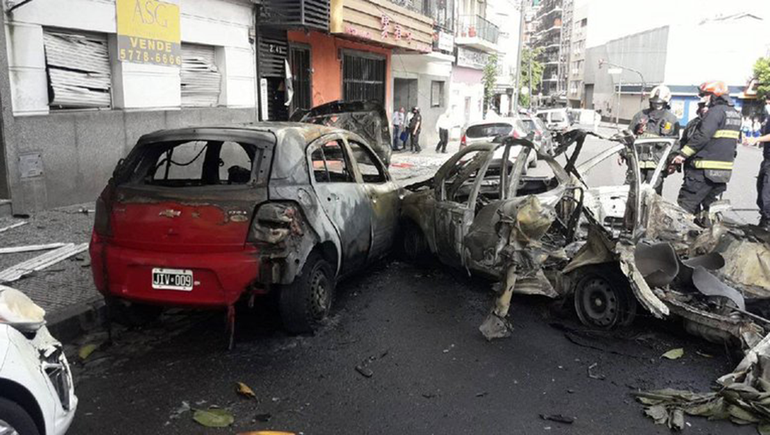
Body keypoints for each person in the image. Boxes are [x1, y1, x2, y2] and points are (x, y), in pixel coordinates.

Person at [672, 81, 741, 217]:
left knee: (685, 206)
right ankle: (709, 229)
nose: (703, 98)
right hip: (722, 173)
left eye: (705, 95)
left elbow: (702, 135)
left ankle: (682, 230)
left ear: (714, 95)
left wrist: (682, 155)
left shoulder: (714, 112)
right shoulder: (735, 114)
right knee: (710, 209)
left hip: (703, 171)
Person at [627, 85, 680, 194]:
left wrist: (673, 163)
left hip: (657, 163)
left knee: (652, 194)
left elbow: (675, 143)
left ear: (666, 103)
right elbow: (629, 135)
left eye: (660, 103)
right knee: (629, 191)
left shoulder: (671, 119)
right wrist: (623, 154)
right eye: (654, 103)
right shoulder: (640, 115)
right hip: (638, 161)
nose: (657, 105)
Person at [746, 116, 770, 229]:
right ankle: (765, 220)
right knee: (761, 190)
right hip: (767, 159)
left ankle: (767, 223)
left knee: (766, 193)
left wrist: (756, 139)